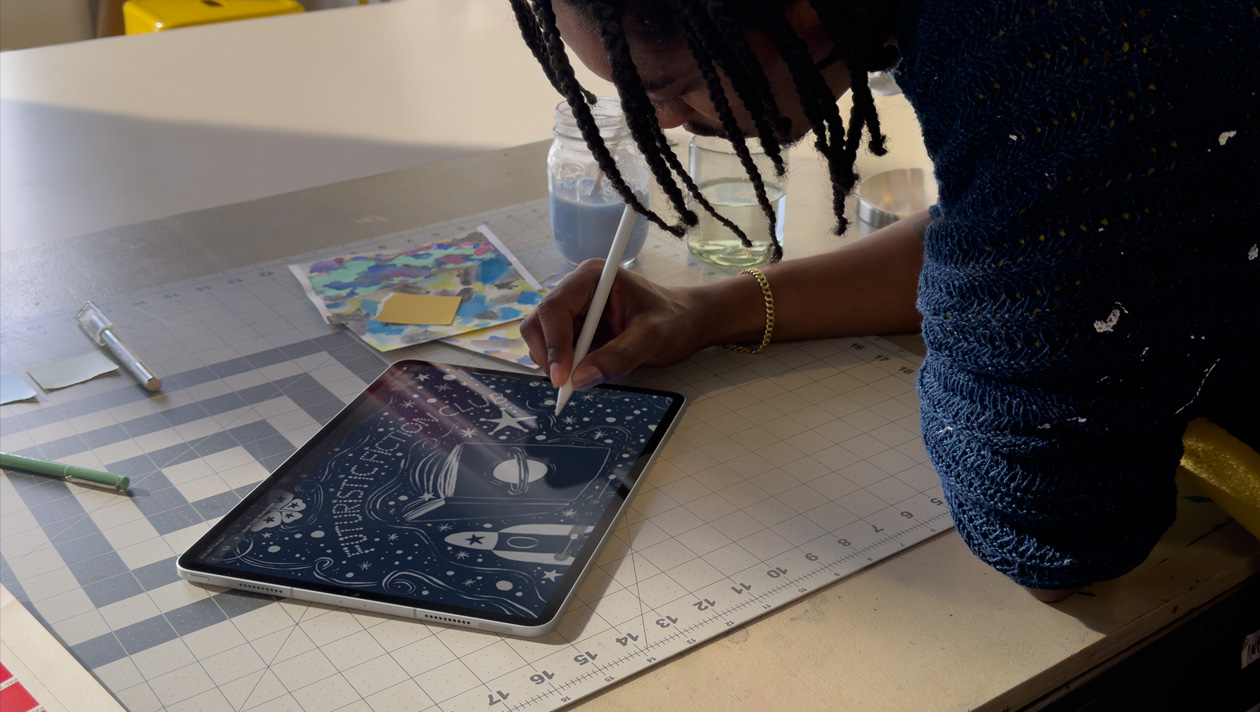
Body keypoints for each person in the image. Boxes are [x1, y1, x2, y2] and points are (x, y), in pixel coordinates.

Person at [510, 0, 1260, 601]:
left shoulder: (1072, 46)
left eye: (671, 85)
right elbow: (1024, 224)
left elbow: (1052, 533)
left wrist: (999, 314)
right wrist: (711, 310)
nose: (665, 121)